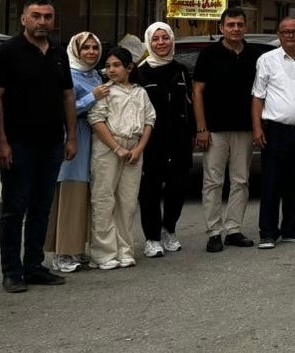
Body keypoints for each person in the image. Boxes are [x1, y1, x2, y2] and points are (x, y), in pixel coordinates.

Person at [0, 0, 78, 293]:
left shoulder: (58, 52)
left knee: (41, 208)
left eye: (48, 16)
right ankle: (11, 271)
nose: (42, 21)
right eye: (36, 16)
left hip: (52, 143)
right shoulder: (7, 52)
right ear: (23, 19)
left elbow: (67, 95)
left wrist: (71, 137)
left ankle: (33, 266)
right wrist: (0, 142)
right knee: (14, 208)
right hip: (18, 144)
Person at [193, 6, 262, 252]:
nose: (235, 29)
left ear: (245, 27)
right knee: (213, 181)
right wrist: (201, 128)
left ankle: (233, 229)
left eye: (239, 25)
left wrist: (257, 127)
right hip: (214, 129)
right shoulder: (208, 54)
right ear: (221, 28)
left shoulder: (254, 55)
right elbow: (197, 92)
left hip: (244, 127)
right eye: (230, 25)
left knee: (240, 180)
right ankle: (214, 232)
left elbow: (259, 94)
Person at [88, 47, 155, 269]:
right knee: (104, 198)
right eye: (108, 66)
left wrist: (139, 149)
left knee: (127, 201)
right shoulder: (105, 91)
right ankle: (104, 253)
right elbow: (96, 120)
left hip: (133, 148)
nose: (111, 70)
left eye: (117, 65)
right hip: (108, 147)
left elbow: (149, 121)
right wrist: (116, 148)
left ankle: (125, 249)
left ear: (129, 68)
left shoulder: (140, 92)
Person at [250, 17, 295, 248]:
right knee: (271, 182)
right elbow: (258, 96)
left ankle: (291, 229)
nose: (290, 35)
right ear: (279, 35)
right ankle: (268, 232)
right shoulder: (267, 60)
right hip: (275, 130)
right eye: (286, 32)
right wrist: (257, 128)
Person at [133, 22, 194, 258]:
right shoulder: (140, 72)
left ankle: (169, 229)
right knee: (149, 189)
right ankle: (152, 237)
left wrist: (194, 132)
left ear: (171, 40)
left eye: (165, 38)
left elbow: (189, 103)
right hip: (151, 140)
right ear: (149, 42)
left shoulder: (181, 70)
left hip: (178, 139)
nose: (161, 43)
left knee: (178, 187)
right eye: (156, 39)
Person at [45, 32, 103, 274]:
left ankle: (77, 248)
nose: (91, 52)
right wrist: (92, 97)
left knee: (85, 195)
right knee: (70, 193)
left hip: (93, 138)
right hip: (73, 136)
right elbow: (63, 108)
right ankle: (62, 251)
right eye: (85, 48)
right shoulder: (67, 74)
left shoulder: (95, 75)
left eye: (94, 48)